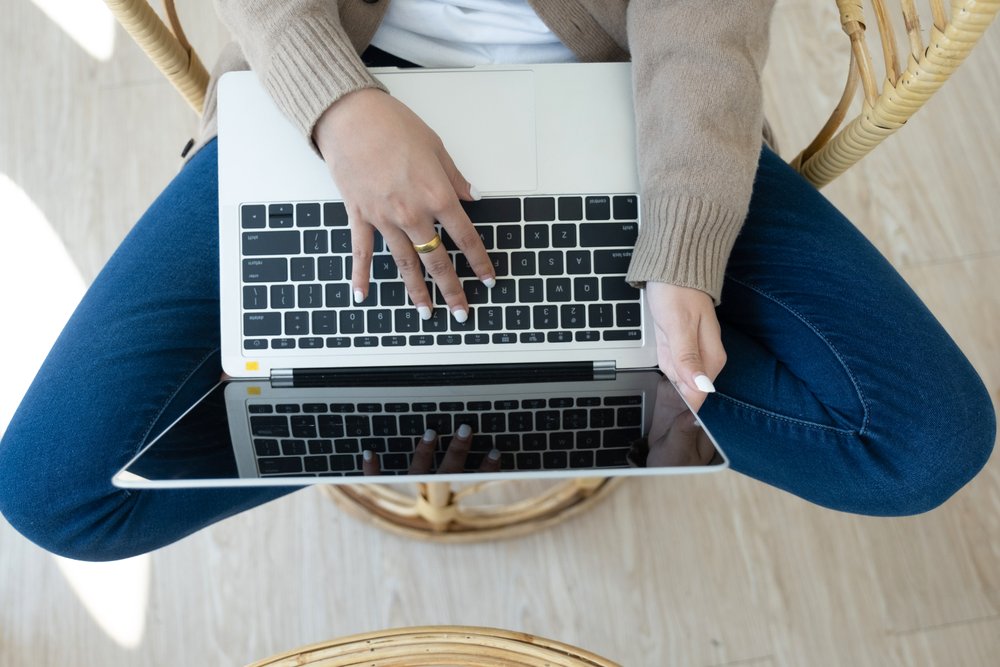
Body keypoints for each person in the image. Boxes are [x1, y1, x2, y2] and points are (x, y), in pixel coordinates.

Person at [0, 0, 994, 562]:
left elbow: (702, 28)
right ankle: (454, 409)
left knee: (928, 443)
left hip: (623, 94)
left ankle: (526, 400)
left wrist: (682, 256)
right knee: (52, 491)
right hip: (341, 76)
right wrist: (339, 108)